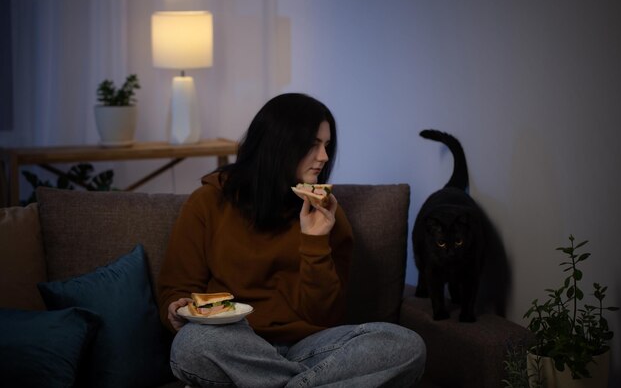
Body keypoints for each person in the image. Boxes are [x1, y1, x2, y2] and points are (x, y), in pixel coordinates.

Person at [157, 93, 426, 387]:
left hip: (311, 348)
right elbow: (177, 288)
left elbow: (325, 315)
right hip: (235, 343)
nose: (324, 157)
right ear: (277, 145)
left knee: (406, 345)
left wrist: (315, 241)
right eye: (312, 145)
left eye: (326, 145)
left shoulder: (326, 213)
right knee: (192, 343)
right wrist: (175, 306)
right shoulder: (208, 202)